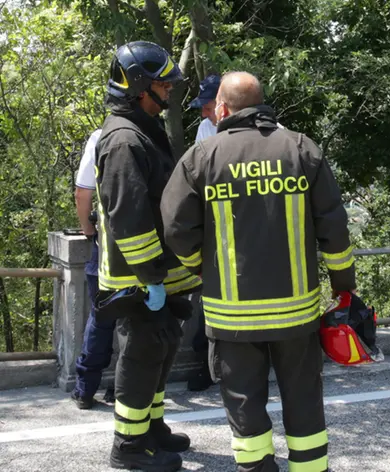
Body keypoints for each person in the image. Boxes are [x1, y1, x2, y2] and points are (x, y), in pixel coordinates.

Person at [161, 71, 354, 472]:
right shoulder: (301, 149)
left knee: (245, 403)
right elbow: (333, 228)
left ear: (222, 108)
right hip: (296, 313)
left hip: (232, 315)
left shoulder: (201, 157)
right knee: (303, 399)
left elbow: (177, 230)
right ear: (263, 103)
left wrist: (203, 269)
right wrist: (343, 287)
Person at [96, 40, 202, 471]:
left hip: (158, 276)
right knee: (140, 359)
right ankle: (128, 446)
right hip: (139, 279)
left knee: (160, 351)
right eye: (164, 84)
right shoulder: (124, 140)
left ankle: (151, 428)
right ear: (141, 87)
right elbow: (129, 217)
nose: (171, 90)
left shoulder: (141, 128)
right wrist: (150, 277)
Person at [71, 128, 117, 409]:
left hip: (107, 244)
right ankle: (124, 387)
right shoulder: (151, 133)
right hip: (147, 240)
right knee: (136, 320)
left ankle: (86, 389)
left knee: (101, 316)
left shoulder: (100, 137)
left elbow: (82, 192)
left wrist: (88, 230)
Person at [185, 74, 221, 392]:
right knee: (208, 300)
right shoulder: (206, 128)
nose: (203, 114)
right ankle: (204, 364)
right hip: (216, 226)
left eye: (208, 107)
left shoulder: (267, 131)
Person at [190, 74, 221, 143]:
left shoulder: (243, 127)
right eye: (202, 108)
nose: (203, 115)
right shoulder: (205, 126)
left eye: (208, 109)